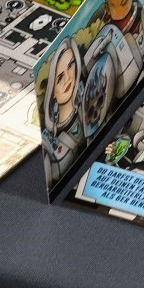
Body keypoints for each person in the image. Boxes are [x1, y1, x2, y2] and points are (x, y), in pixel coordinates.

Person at [42, 38, 85, 184]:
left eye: (71, 65)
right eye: (59, 78)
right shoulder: (47, 141)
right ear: (52, 92)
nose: (68, 78)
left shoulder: (87, 93)